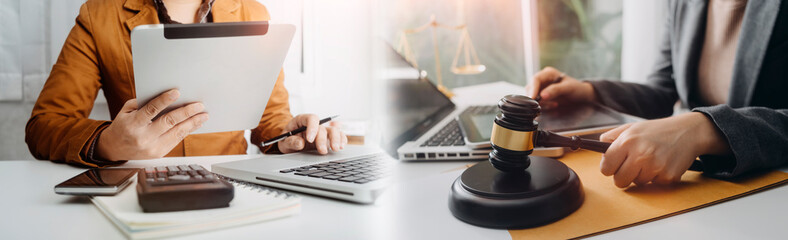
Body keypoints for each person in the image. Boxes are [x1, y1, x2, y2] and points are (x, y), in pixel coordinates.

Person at [25, 0, 347, 167]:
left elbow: (269, 125)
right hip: (139, 193)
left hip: (234, 193)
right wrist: (107, 143)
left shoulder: (252, 11)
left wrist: (292, 136)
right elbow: (43, 127)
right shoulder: (99, 15)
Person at [525, 0, 788, 188]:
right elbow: (661, 91)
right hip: (701, 185)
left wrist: (708, 129)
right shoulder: (683, 4)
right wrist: (590, 91)